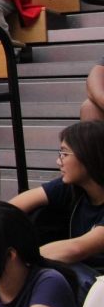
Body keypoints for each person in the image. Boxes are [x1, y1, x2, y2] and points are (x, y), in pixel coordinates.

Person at [9, 120, 104, 291]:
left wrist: (17, 258)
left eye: (64, 154)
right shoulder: (70, 187)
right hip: (84, 272)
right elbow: (10, 210)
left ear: (88, 156)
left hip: (98, 284)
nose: (58, 161)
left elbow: (76, 249)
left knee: (57, 275)